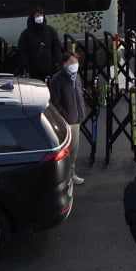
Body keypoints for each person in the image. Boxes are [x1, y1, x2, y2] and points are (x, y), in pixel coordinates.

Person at [48, 53, 87, 184]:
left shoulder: (76, 77)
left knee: (74, 150)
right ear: (64, 63)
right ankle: (65, 176)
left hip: (76, 119)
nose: (75, 64)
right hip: (66, 121)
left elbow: (79, 95)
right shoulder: (57, 80)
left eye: (76, 61)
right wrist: (65, 116)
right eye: (71, 62)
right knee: (65, 150)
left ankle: (72, 174)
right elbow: (54, 101)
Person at [16, 7, 61, 81]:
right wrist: (25, 65)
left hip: (49, 69)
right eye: (37, 16)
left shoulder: (50, 31)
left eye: (41, 15)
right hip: (33, 70)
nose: (40, 17)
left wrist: (56, 63)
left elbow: (56, 48)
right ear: (32, 17)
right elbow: (22, 51)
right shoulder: (26, 33)